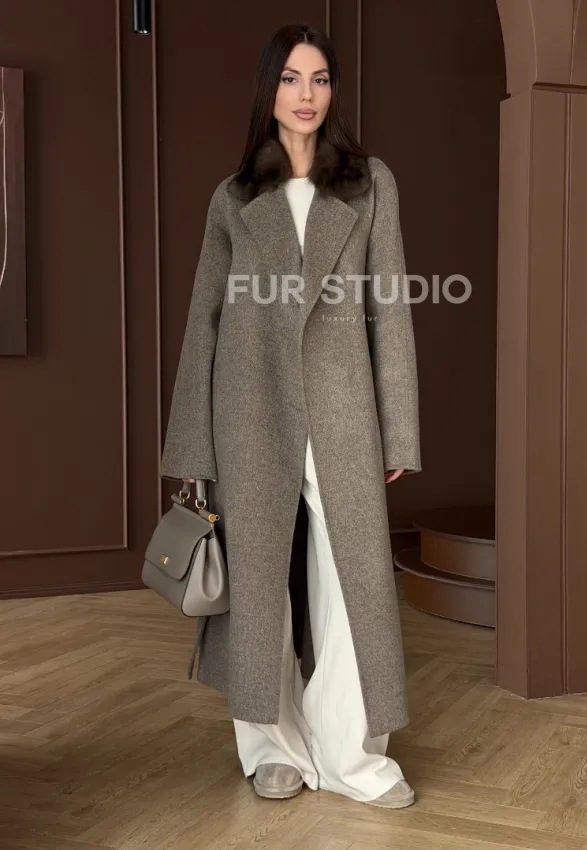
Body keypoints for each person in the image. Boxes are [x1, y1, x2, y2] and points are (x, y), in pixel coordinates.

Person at [160, 22, 422, 808]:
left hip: (343, 405)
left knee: (355, 580)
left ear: (333, 90)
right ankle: (271, 746)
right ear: (268, 90)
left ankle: (353, 756)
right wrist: (191, 446)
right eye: (290, 79)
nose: (306, 95)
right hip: (249, 405)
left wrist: (398, 427)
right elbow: (204, 320)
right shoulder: (234, 197)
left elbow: (391, 308)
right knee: (259, 579)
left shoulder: (370, 185)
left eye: (320, 79)